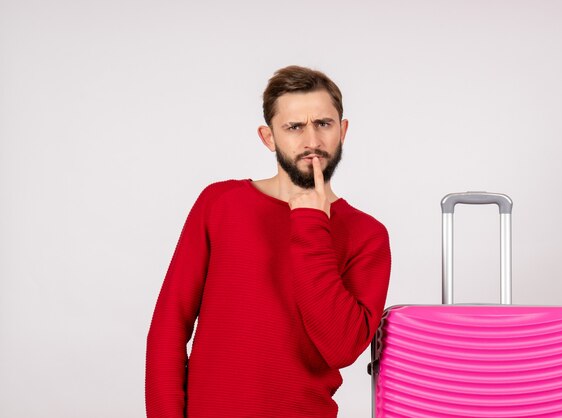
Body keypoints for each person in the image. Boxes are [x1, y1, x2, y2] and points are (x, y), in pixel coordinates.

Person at [145, 65, 391, 418]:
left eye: (324, 124)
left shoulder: (367, 235)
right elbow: (168, 327)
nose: (312, 142)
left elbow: (341, 348)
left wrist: (311, 224)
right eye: (294, 127)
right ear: (268, 137)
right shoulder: (219, 203)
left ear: (343, 130)